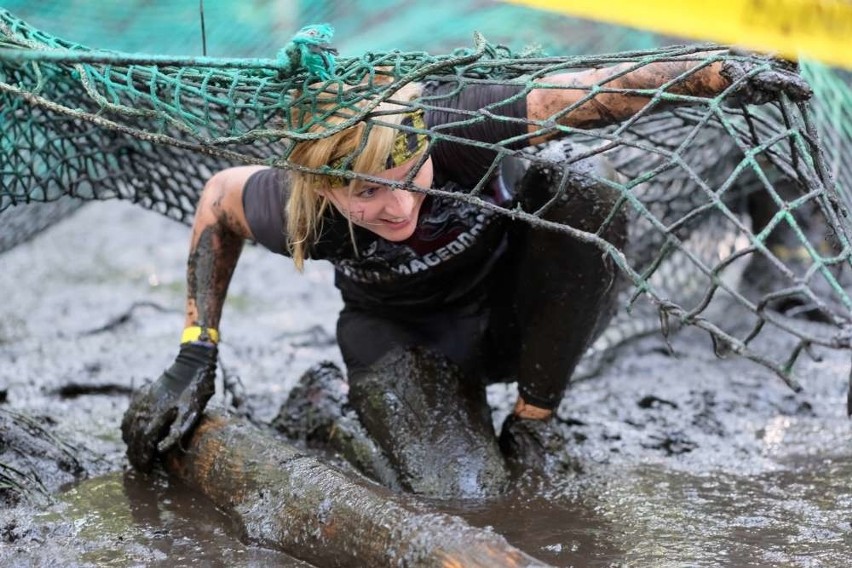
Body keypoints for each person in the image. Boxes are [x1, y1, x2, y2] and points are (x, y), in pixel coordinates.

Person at [121, 47, 811, 498]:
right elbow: (217, 196)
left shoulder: (460, 126)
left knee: (586, 182)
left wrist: (716, 74)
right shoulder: (296, 207)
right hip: (410, 340)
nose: (399, 208)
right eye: (366, 194)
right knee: (469, 501)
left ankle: (535, 421)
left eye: (408, 177)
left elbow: (592, 92)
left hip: (525, 308)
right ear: (323, 188)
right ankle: (326, 411)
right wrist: (194, 353)